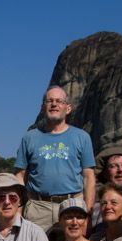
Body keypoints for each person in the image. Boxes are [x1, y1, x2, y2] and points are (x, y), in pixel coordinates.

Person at [14, 86, 96, 232]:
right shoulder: (29, 137)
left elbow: (88, 177)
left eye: (59, 101)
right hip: (38, 208)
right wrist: (18, 212)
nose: (54, 104)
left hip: (73, 206)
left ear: (68, 108)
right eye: (49, 101)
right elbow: (20, 177)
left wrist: (88, 213)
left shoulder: (82, 137)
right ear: (43, 107)